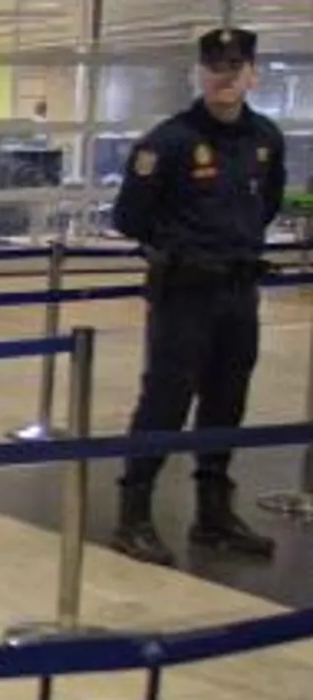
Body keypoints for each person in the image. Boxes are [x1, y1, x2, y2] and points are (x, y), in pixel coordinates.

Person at [109, 26, 285, 567]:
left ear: (251, 74)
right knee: (165, 400)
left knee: (227, 399)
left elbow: (267, 205)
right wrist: (181, 251)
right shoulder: (169, 142)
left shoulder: (264, 139)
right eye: (214, 68)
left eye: (234, 68)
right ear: (199, 73)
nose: (224, 78)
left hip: (238, 289)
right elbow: (129, 218)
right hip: (184, 293)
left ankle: (213, 513)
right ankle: (133, 513)